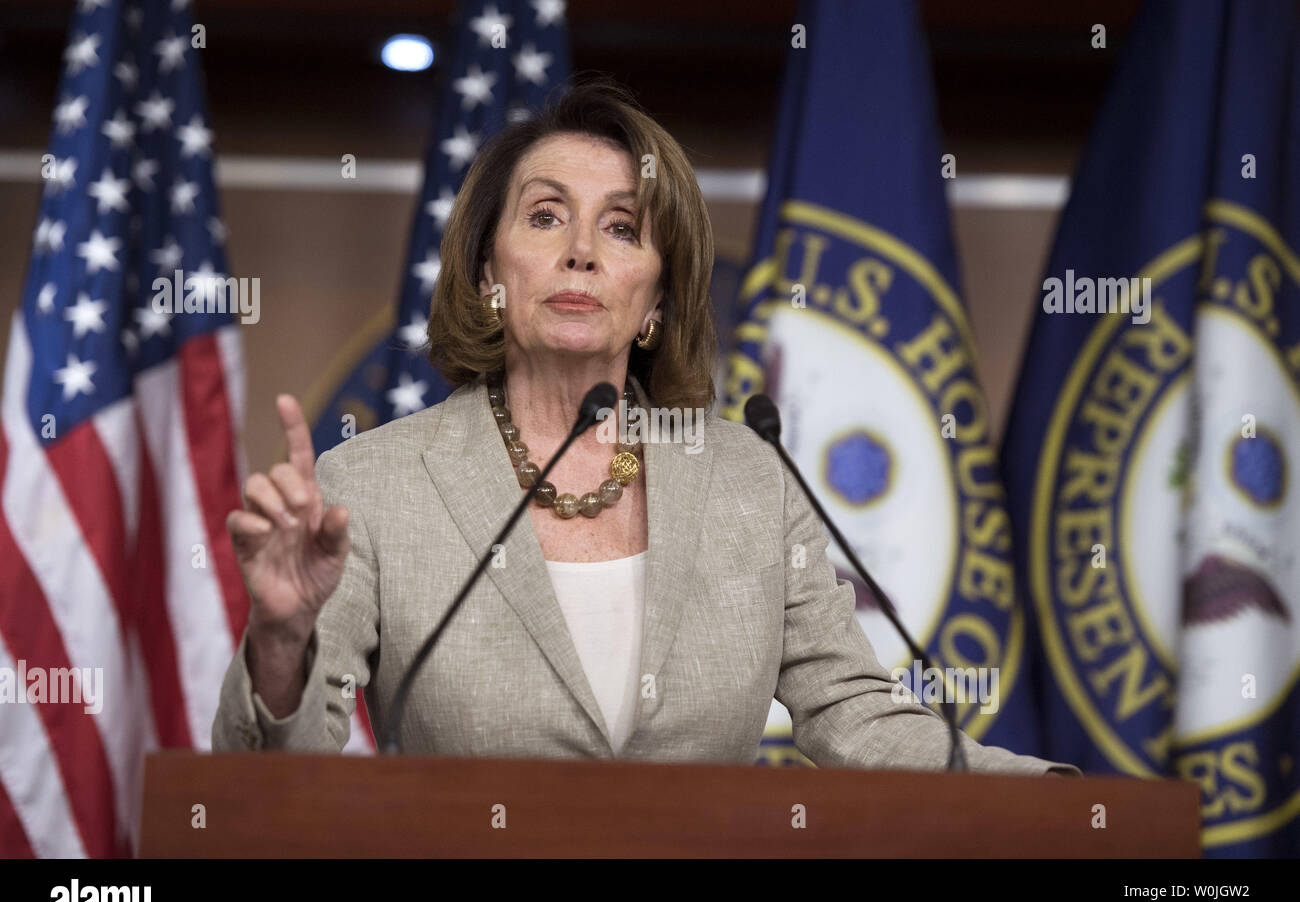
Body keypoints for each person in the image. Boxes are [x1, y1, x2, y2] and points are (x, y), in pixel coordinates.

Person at [212, 79, 1079, 777]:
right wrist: (282, 639)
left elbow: (857, 716)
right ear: (487, 273)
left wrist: (1048, 797)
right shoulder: (373, 485)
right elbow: (270, 778)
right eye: (546, 216)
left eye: (622, 226)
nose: (581, 250)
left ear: (657, 301)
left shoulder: (750, 479)